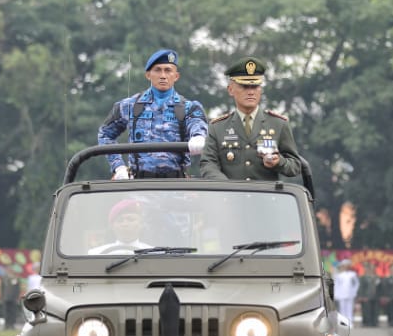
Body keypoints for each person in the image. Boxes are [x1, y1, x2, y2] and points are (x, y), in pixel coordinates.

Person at [97, 49, 208, 179]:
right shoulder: (130, 106)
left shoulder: (189, 108)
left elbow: (198, 125)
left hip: (177, 186)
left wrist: (198, 137)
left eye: (168, 70)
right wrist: (118, 166)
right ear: (148, 75)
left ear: (176, 76)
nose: (163, 75)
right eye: (157, 70)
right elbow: (105, 134)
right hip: (140, 186)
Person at [199, 57, 303, 181]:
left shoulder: (278, 124)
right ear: (230, 90)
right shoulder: (217, 127)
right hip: (231, 196)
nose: (251, 92)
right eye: (244, 86)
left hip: (266, 197)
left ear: (261, 90)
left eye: (255, 86)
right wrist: (226, 187)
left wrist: (278, 162)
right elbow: (208, 164)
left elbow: (295, 166)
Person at [88, 199, 153, 255]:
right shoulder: (96, 253)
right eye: (120, 220)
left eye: (131, 219)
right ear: (112, 226)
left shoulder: (154, 254)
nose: (125, 224)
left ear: (141, 224)